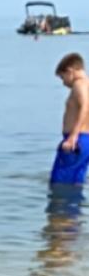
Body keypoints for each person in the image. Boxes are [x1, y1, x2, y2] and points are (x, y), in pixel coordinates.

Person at [51, 52, 89, 186]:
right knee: (76, 183)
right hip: (85, 141)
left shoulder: (79, 84)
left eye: (62, 77)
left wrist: (73, 136)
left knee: (59, 185)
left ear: (70, 71)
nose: (63, 83)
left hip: (75, 141)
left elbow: (85, 106)